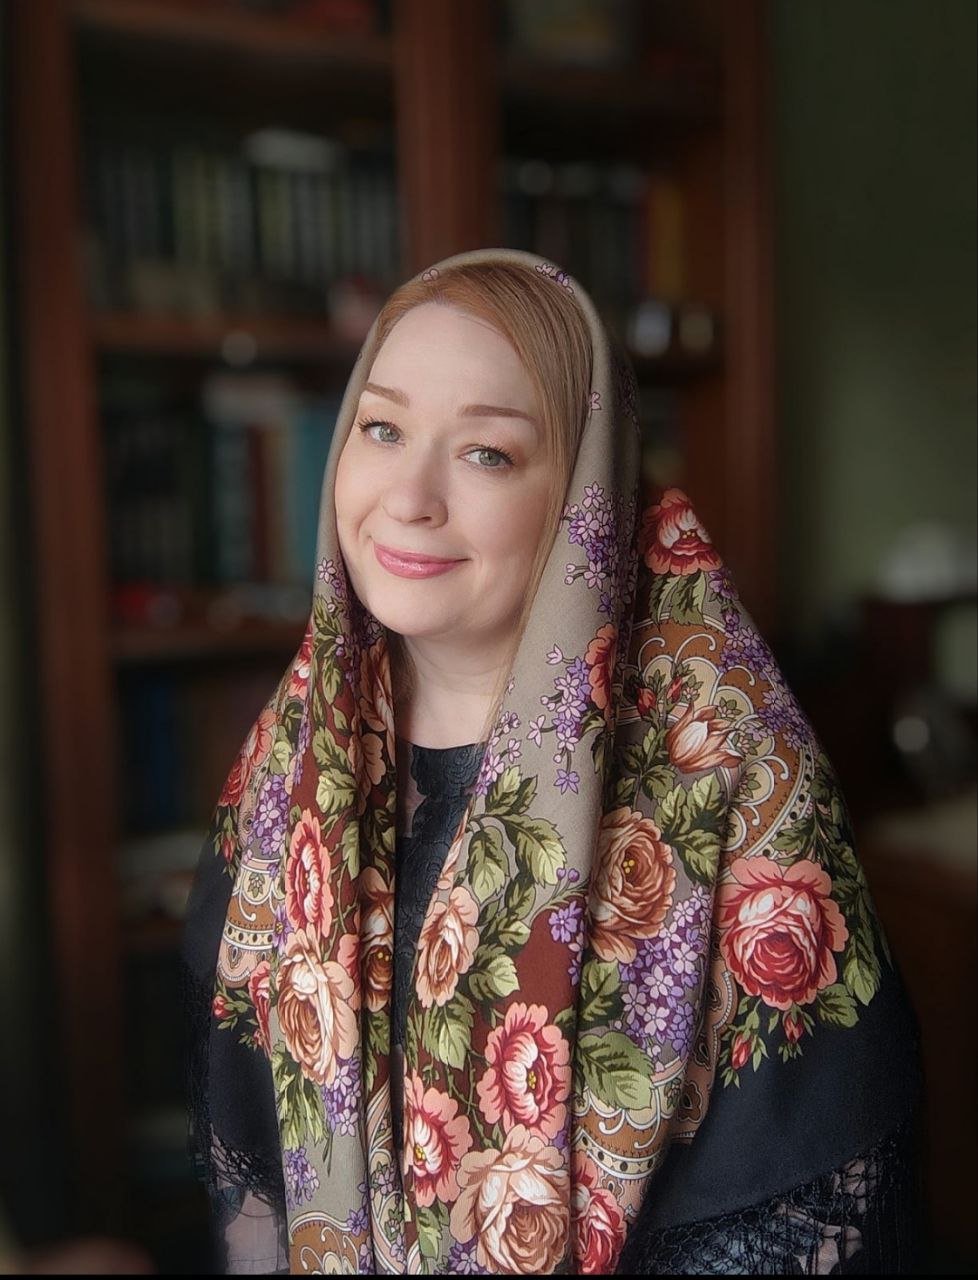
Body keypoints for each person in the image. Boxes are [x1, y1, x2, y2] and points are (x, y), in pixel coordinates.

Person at [180, 248, 922, 1275]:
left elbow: (806, 1205)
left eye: (487, 453)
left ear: (583, 491)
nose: (410, 496)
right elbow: (251, 1171)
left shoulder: (735, 778)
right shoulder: (290, 753)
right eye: (382, 428)